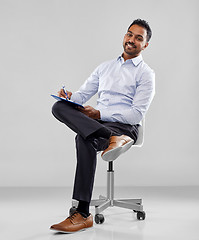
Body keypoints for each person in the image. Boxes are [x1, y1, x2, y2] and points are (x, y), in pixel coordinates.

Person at [50, 19, 155, 233]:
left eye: (138, 38)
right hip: (100, 124)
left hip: (125, 128)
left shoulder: (146, 74)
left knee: (82, 138)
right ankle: (110, 138)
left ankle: (82, 213)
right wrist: (71, 97)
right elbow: (83, 94)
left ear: (145, 45)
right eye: (129, 34)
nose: (131, 40)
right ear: (124, 36)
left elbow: (136, 114)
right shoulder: (105, 67)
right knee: (58, 107)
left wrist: (99, 112)